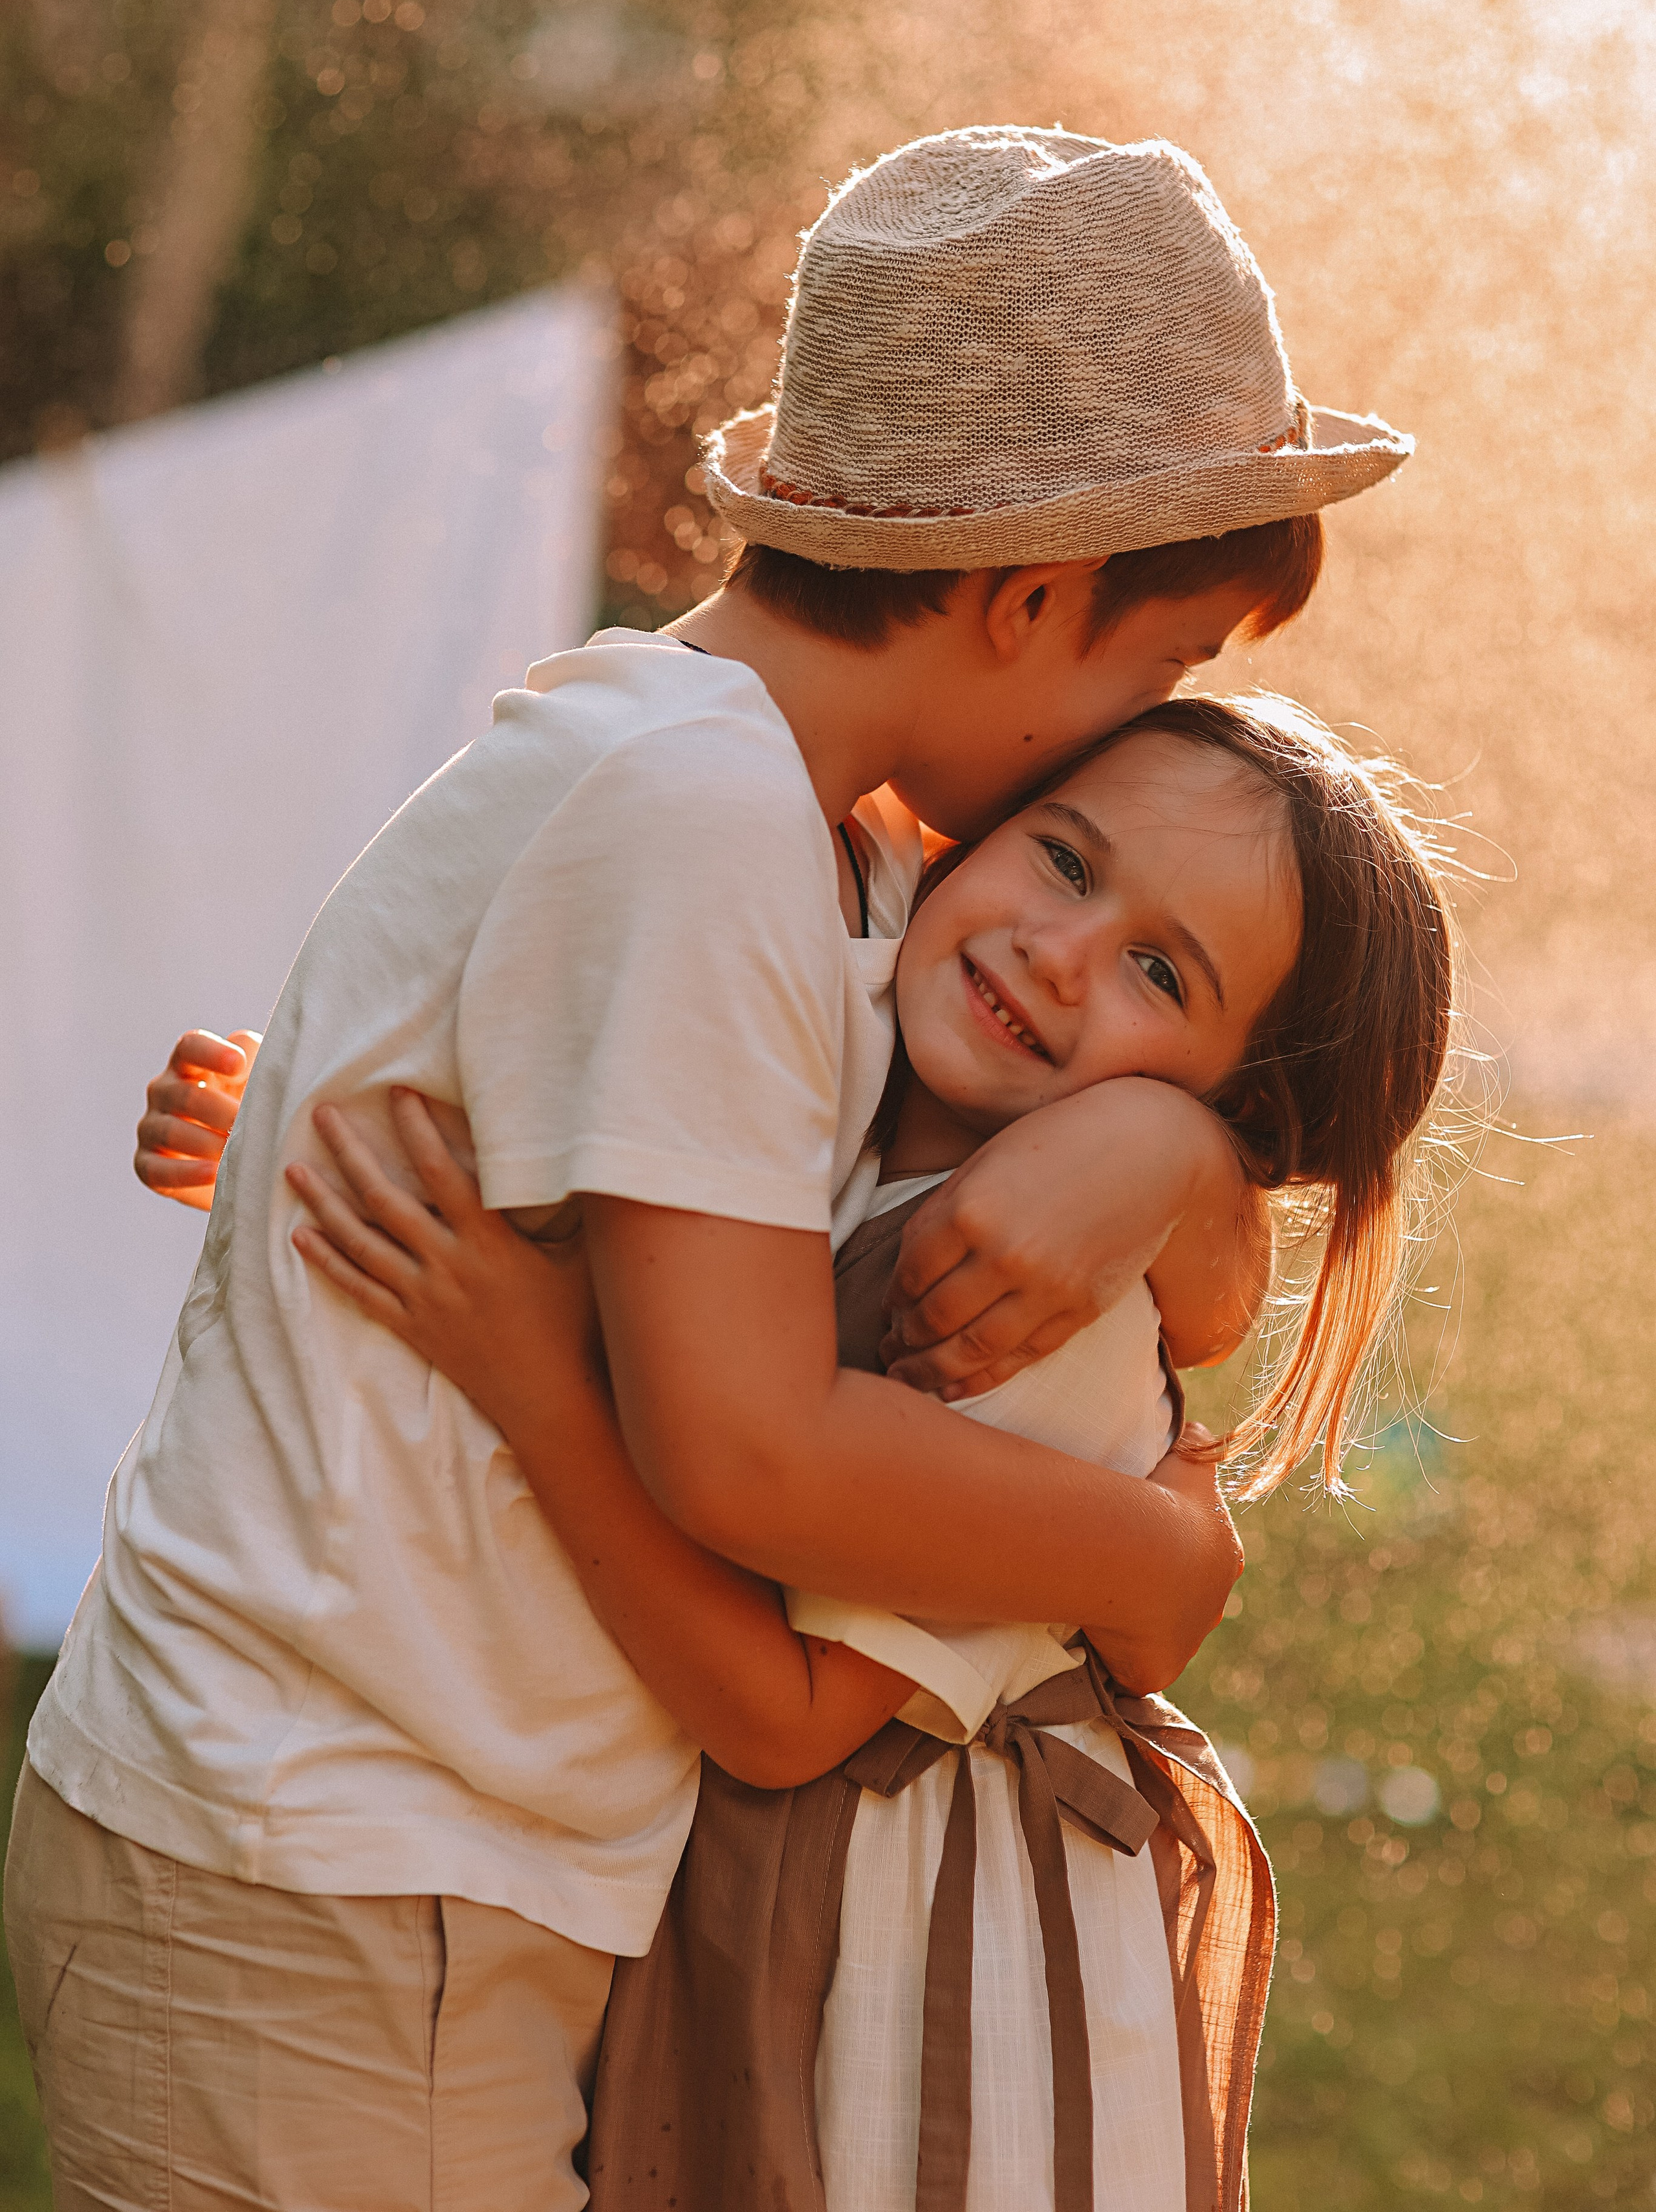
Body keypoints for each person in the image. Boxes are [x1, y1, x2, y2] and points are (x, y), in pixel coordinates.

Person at [5, 127, 1411, 2211]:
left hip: (348, 1845)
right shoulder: (708, 827)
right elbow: (748, 1449)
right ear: (1031, 601)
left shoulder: (771, 802)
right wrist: (1155, 1564)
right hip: (341, 1861)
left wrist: (1175, 1151)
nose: (1144, 734)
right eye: (1158, 673)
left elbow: (742, 1164)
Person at [278, 691, 1456, 2212]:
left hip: (923, 1975)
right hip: (777, 1918)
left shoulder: (1027, 1311)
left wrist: (525, 1368)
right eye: (1065, 861)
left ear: (1236, 1109)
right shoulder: (845, 1072)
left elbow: (782, 1717)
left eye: (1157, 972)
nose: (1056, 949)